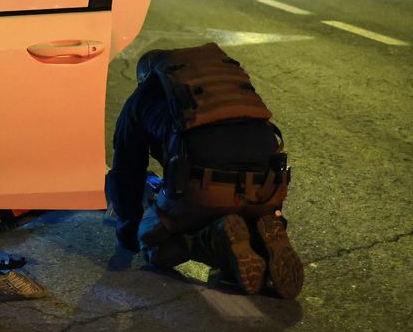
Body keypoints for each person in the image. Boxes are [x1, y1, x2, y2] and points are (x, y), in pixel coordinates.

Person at [104, 43, 303, 298]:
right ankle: (263, 232)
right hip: (267, 186)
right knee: (235, 207)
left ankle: (212, 239)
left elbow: (126, 175)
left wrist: (128, 234)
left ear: (147, 78)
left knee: (154, 245)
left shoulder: (142, 99)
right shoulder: (230, 86)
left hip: (206, 187)